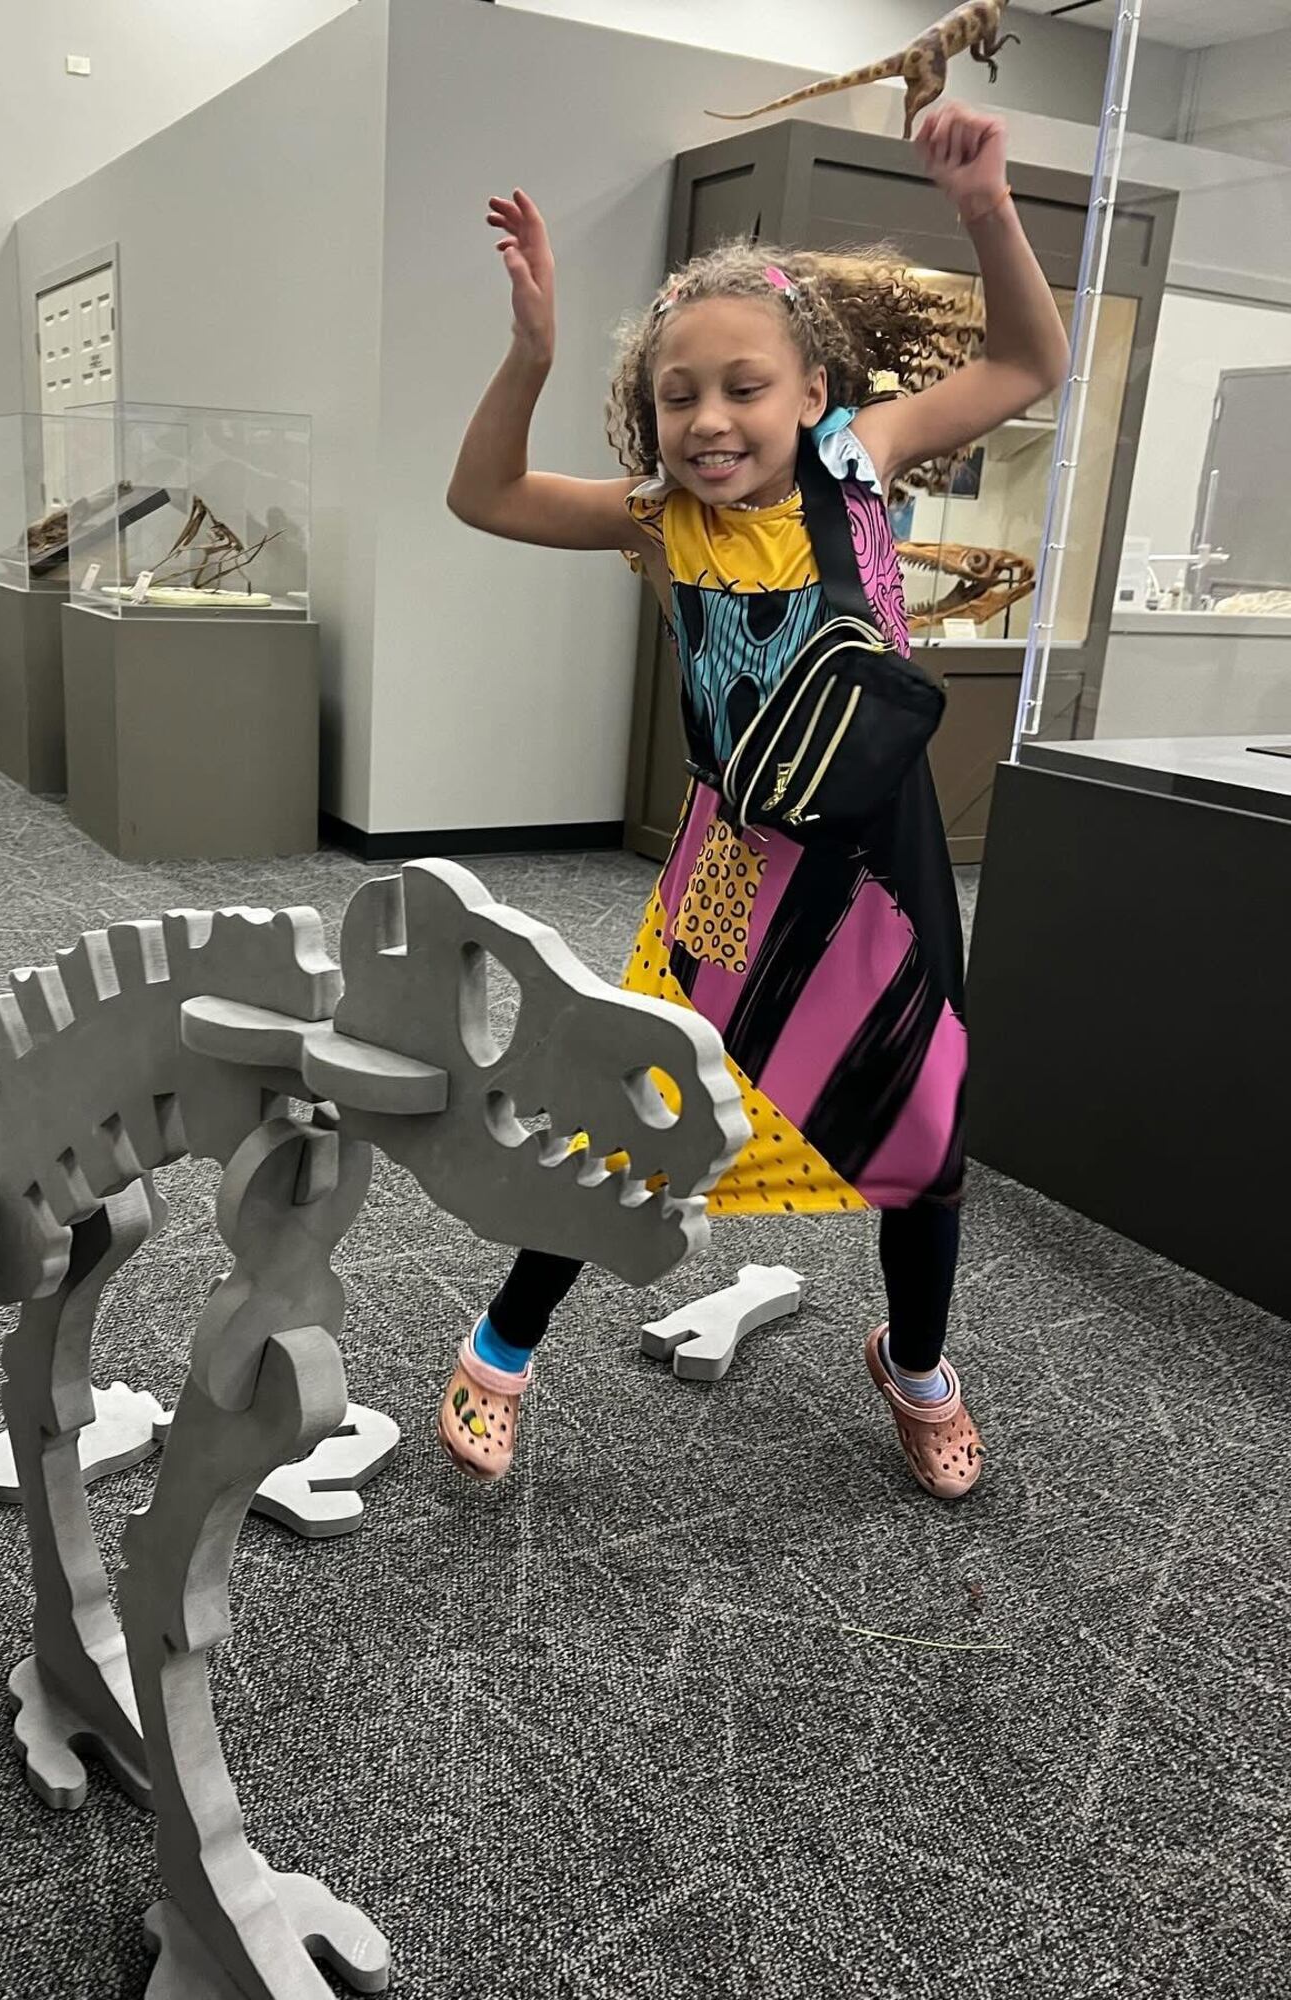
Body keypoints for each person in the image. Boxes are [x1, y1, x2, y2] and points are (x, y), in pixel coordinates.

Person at [438, 103, 1069, 1501]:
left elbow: (1030, 358)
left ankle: (915, 1366)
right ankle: (503, 1341)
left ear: (809, 393)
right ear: (651, 411)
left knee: (923, 1135)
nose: (711, 418)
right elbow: (479, 495)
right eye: (679, 394)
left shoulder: (863, 467)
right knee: (633, 1107)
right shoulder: (659, 516)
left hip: (884, 876)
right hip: (732, 861)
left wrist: (987, 210)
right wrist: (533, 351)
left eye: (744, 387)